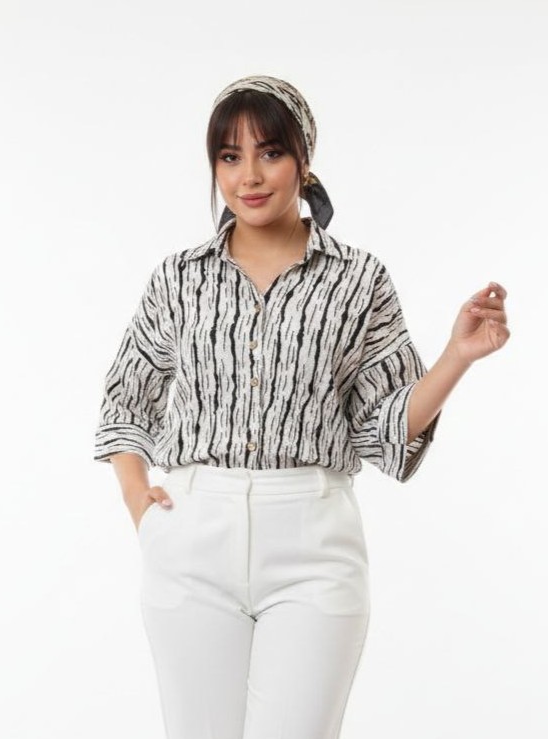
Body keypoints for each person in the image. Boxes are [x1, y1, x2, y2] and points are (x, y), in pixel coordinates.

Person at [93, 75, 509, 739]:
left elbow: (384, 432)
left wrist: (456, 357)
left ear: (304, 159)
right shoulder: (179, 277)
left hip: (314, 544)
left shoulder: (359, 279)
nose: (249, 176)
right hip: (192, 539)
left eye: (271, 152)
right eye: (230, 156)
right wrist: (138, 501)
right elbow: (126, 393)